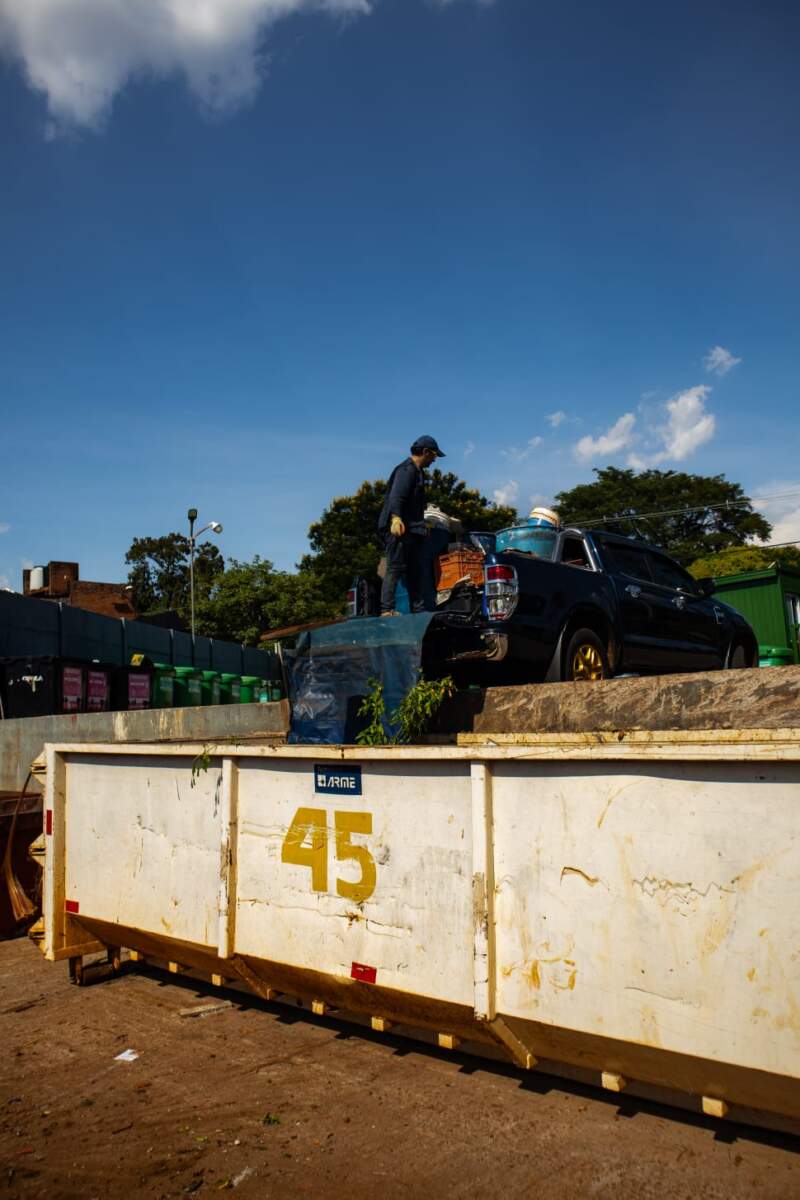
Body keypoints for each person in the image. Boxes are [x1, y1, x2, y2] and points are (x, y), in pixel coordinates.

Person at [378, 435, 445, 615]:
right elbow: (397, 496)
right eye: (433, 455)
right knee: (395, 567)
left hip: (413, 529)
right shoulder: (406, 470)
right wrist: (395, 518)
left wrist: (423, 526)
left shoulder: (418, 472)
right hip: (399, 526)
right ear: (425, 452)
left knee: (415, 570)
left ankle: (419, 609)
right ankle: (387, 610)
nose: (434, 459)